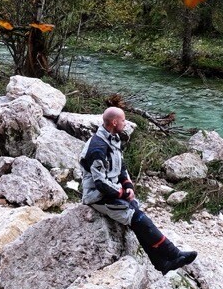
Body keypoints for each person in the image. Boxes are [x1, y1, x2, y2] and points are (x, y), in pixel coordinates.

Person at [80, 106, 198, 274]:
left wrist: (128, 185)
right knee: (137, 217)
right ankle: (172, 254)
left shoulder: (113, 139)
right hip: (97, 196)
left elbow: (121, 167)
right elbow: (100, 183)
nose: (125, 122)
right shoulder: (97, 148)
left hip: (111, 191)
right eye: (123, 120)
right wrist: (121, 193)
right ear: (114, 122)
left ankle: (161, 263)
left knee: (136, 213)